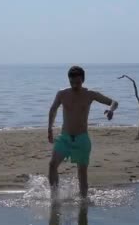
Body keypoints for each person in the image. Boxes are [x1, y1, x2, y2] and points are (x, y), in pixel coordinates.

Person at [48, 66, 118, 198]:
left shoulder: (90, 94)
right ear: (68, 80)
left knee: (82, 174)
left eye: (78, 82)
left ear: (83, 80)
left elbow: (114, 102)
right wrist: (49, 129)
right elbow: (53, 110)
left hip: (82, 139)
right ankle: (54, 198)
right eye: (72, 82)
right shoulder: (62, 94)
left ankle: (83, 205)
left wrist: (111, 110)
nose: (74, 85)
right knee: (52, 165)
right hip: (65, 138)